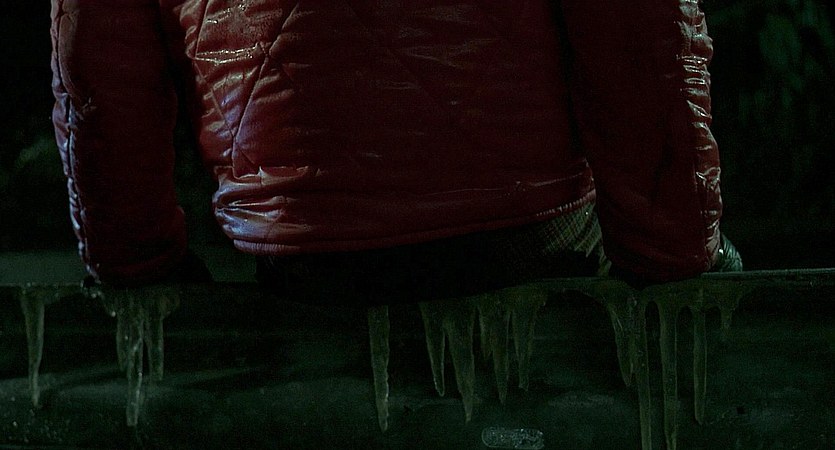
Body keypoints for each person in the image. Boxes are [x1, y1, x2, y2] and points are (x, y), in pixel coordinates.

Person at [49, 0, 740, 299]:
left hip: (304, 255)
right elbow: (641, 39)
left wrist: (136, 262)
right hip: (522, 234)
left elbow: (97, 67)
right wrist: (673, 250)